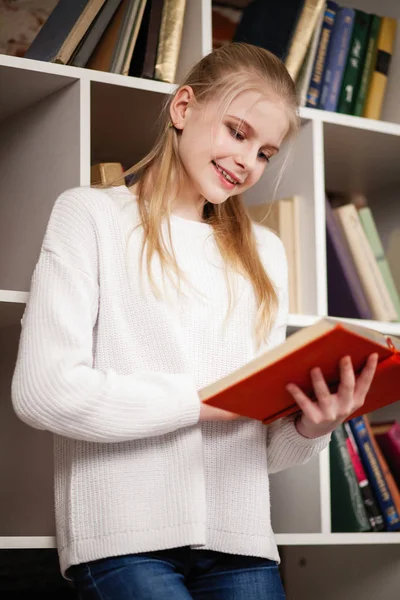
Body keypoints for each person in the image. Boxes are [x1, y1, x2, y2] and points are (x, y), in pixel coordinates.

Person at [11, 43, 378, 599]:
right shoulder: (90, 216)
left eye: (265, 153)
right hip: (123, 539)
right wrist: (205, 402)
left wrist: (313, 426)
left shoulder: (265, 252)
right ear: (183, 108)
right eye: (237, 132)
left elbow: (260, 447)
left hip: (243, 542)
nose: (247, 162)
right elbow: (43, 391)